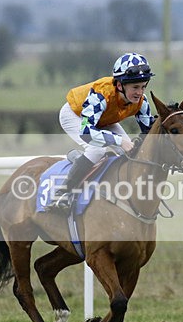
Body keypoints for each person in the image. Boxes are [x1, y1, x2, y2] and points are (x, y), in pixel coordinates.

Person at [50, 52, 156, 208]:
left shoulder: (141, 101)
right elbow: (86, 133)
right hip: (75, 115)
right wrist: (120, 141)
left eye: (143, 87)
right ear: (119, 85)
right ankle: (62, 193)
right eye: (135, 87)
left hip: (105, 118)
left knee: (128, 153)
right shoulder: (101, 95)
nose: (140, 93)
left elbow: (149, 132)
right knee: (96, 150)